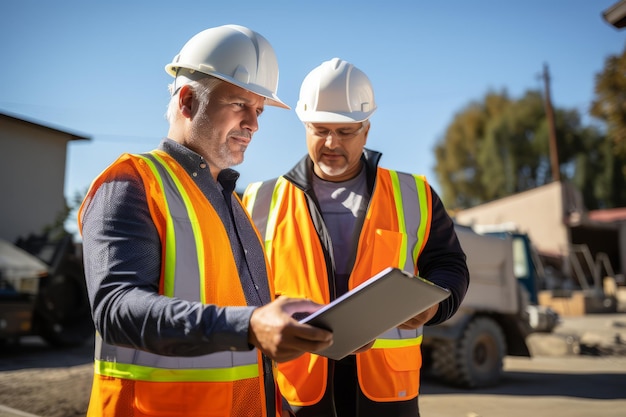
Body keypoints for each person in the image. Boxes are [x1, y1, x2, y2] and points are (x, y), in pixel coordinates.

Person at [77, 25, 332, 417]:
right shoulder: (132, 183)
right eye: (239, 105)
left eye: (259, 111)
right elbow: (116, 309)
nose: (254, 124)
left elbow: (237, 309)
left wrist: (314, 325)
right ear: (186, 101)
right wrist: (248, 325)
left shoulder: (233, 201)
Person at [242, 58, 470, 417]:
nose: (332, 142)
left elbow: (448, 264)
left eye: (346, 131)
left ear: (366, 129)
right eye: (320, 130)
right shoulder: (259, 200)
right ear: (304, 126)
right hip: (298, 385)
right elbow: (242, 285)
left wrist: (436, 305)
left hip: (387, 389)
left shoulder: (414, 194)